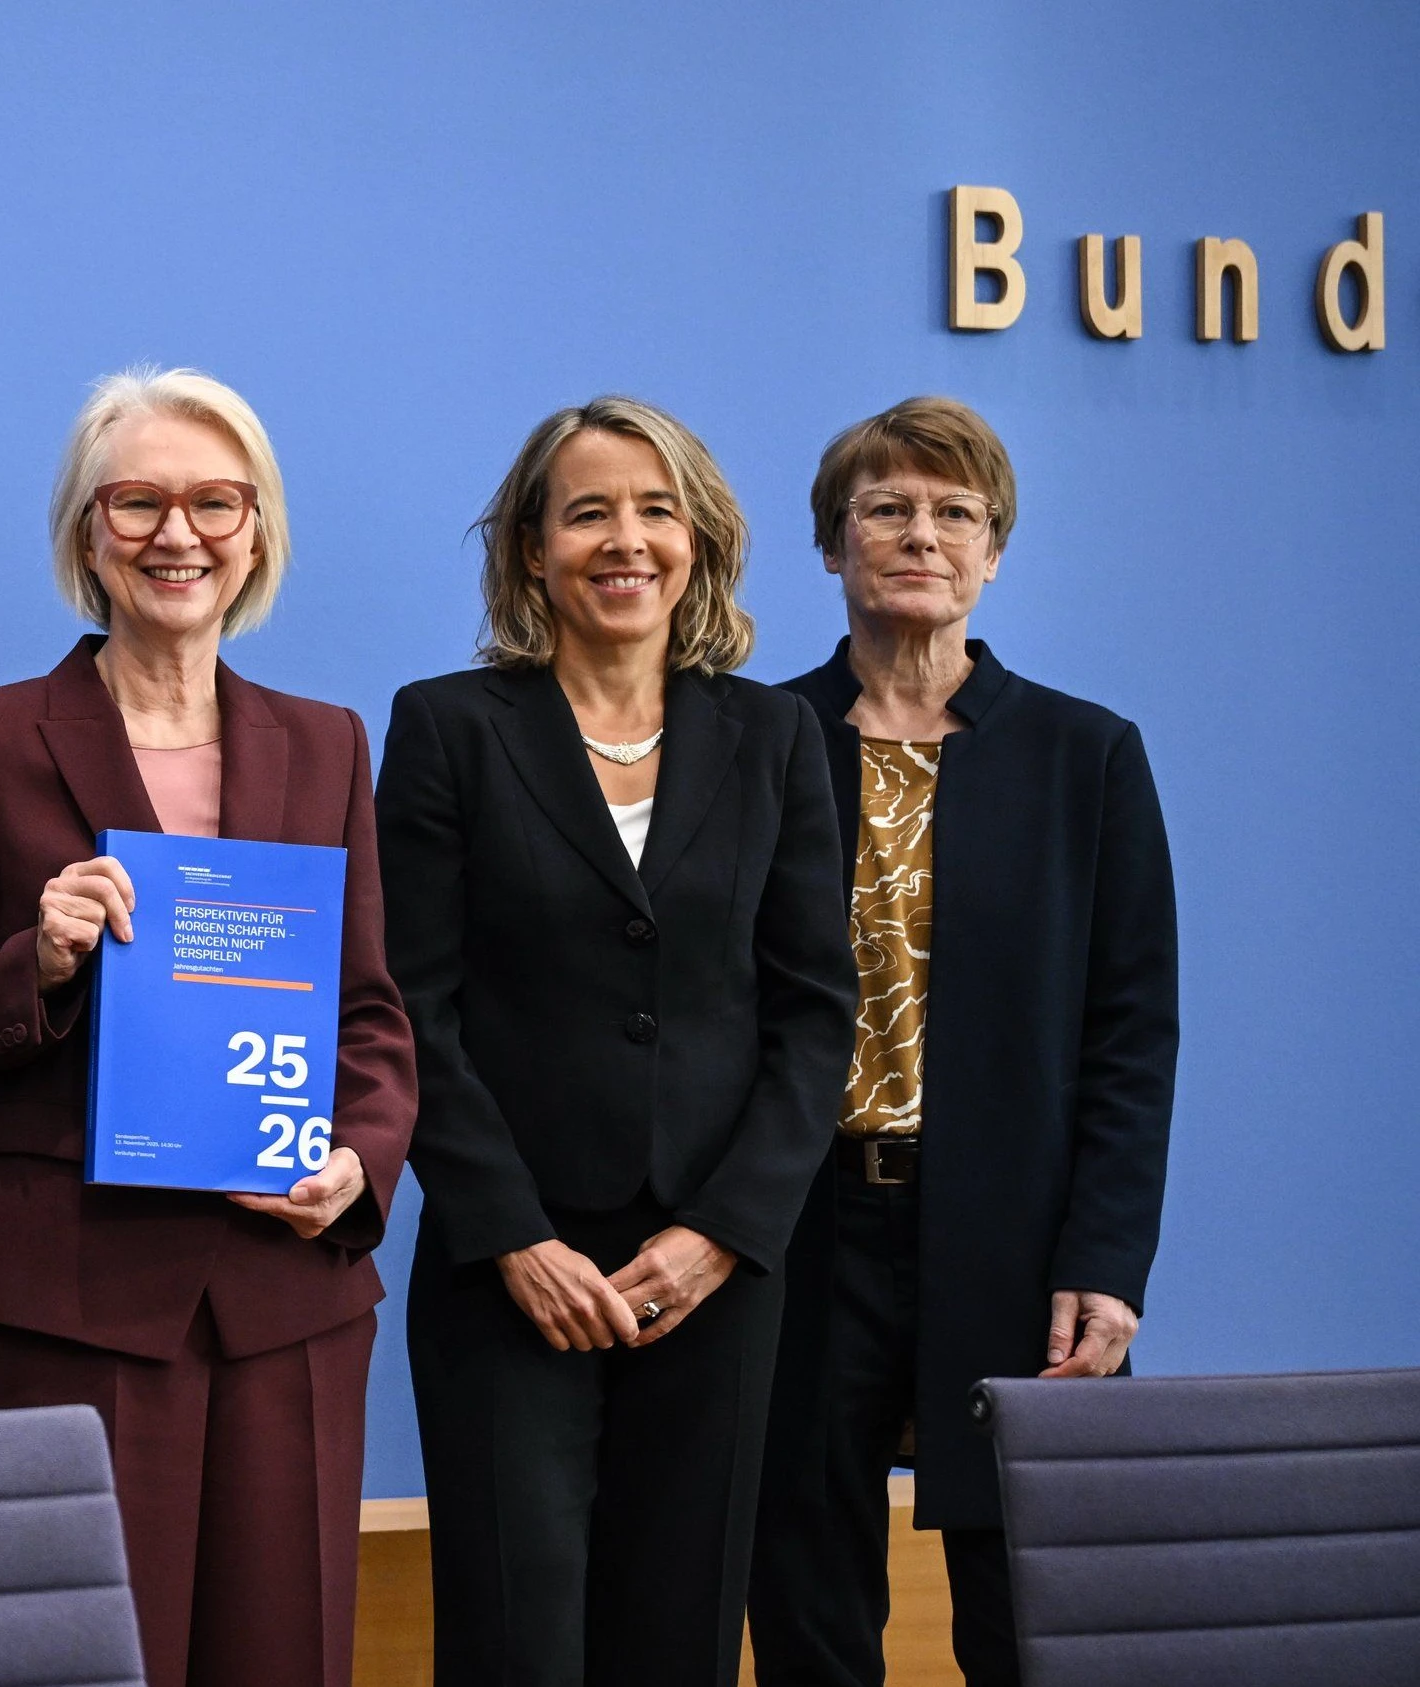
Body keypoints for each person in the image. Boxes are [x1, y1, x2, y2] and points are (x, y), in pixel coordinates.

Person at [0, 368, 418, 1687]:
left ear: (257, 531)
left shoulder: (327, 744)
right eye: (139, 501)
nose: (180, 534)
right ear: (86, 529)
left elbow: (371, 1014)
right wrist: (40, 960)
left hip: (284, 1293)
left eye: (217, 502)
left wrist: (358, 1163)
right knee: (71, 1659)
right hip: (67, 1299)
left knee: (284, 1653)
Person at [377, 396, 855, 1686]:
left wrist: (721, 1234)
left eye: (656, 511)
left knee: (678, 1642)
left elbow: (816, 1013)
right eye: (588, 512)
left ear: (700, 542)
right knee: (516, 1643)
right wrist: (514, 1237)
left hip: (714, 1276)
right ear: (533, 550)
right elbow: (411, 1006)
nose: (625, 540)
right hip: (507, 1275)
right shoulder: (448, 727)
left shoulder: (775, 737)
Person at [748, 397, 1178, 1687]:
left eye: (954, 512)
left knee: (1026, 1610)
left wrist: (1107, 1260)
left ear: (993, 550)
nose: (920, 535)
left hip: (1015, 1234)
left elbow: (1132, 1034)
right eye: (885, 508)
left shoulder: (1086, 754)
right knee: (807, 1594)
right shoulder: (752, 741)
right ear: (832, 543)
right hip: (799, 1225)